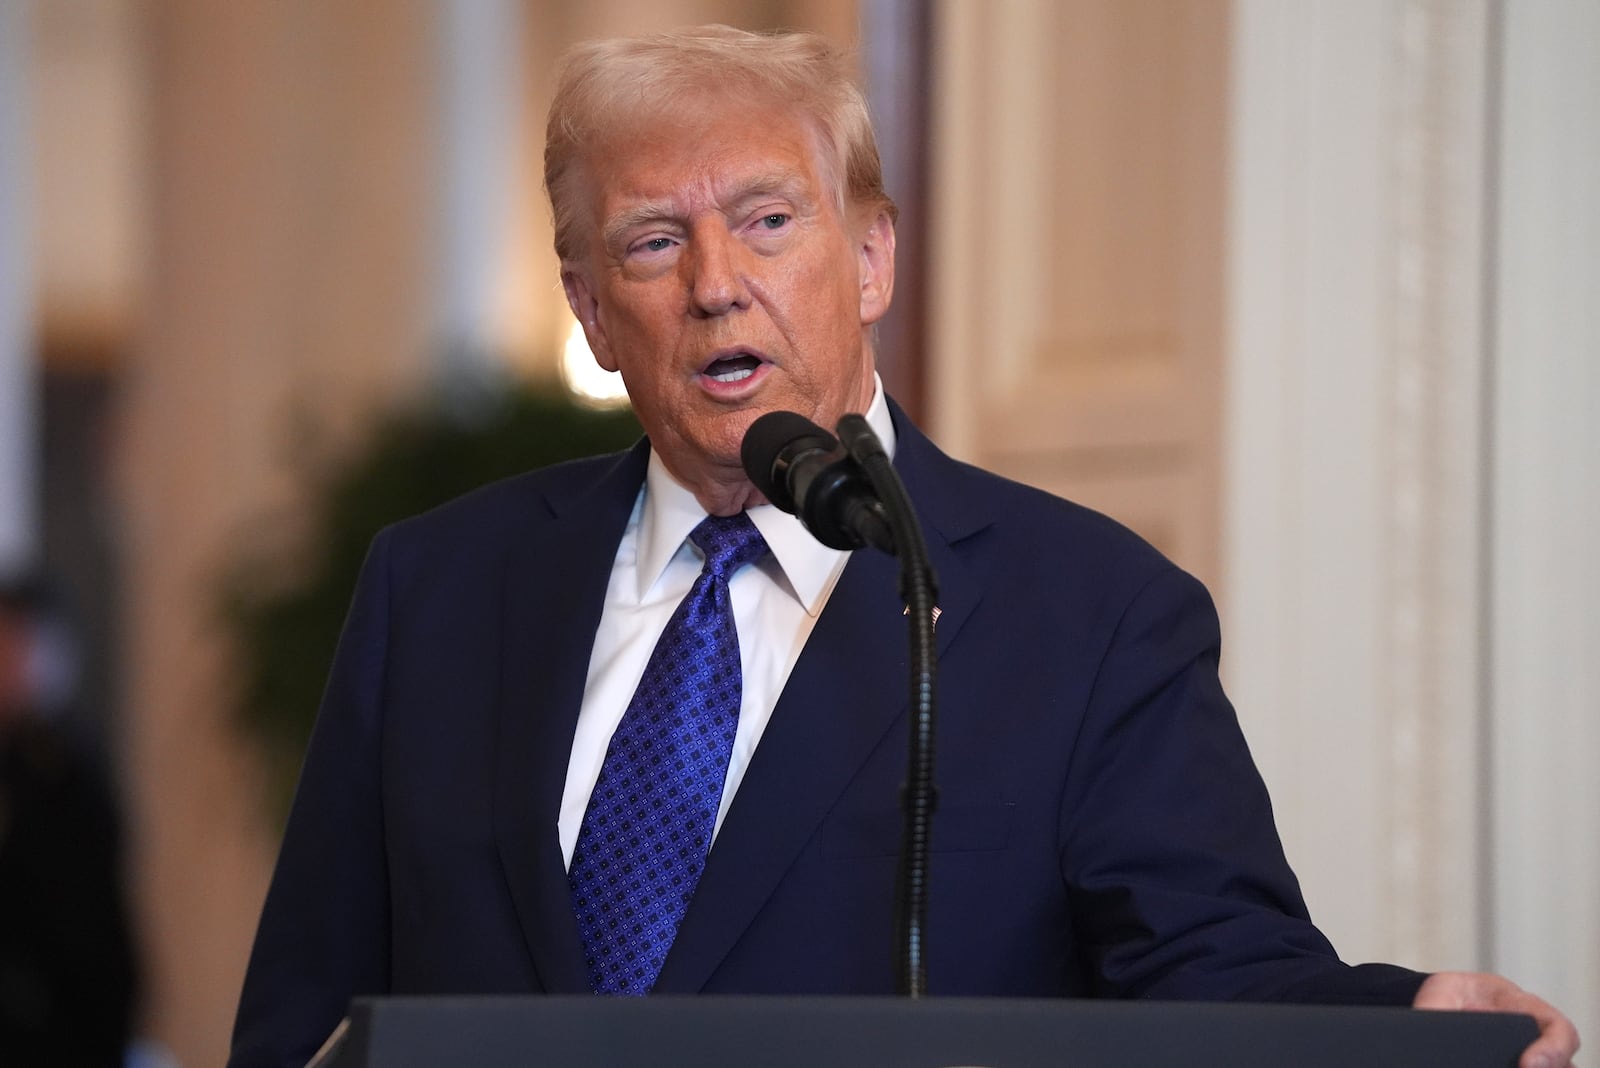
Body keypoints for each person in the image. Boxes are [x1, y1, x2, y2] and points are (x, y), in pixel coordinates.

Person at [228, 24, 1579, 1068]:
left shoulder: (1088, 613)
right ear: (588, 310)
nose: (715, 285)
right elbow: (309, 1016)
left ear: (870, 259)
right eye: (654, 242)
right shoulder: (441, 589)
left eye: (768, 220)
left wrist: (1404, 1020)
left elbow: (1214, 972)